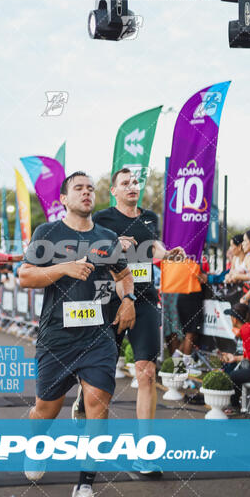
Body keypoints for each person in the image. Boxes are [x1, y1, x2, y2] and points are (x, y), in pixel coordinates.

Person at [19, 171, 135, 497]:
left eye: (90, 189)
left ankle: (85, 483)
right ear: (64, 200)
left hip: (97, 336)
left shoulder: (107, 238)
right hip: (57, 337)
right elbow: (25, 276)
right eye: (78, 189)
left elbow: (124, 275)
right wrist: (63, 268)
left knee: (98, 405)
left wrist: (127, 299)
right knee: (45, 409)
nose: (86, 193)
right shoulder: (49, 233)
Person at [73, 168, 185, 445]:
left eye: (135, 182)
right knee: (103, 369)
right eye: (125, 183)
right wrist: (112, 245)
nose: (132, 186)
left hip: (144, 298)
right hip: (109, 298)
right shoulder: (102, 218)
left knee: (146, 371)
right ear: (114, 191)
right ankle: (85, 398)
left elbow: (153, 247)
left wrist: (167, 253)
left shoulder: (149, 218)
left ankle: (145, 447)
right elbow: (86, 251)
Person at [220, 303, 250, 414]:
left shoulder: (246, 330)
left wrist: (235, 358)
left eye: (231, 317)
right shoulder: (246, 328)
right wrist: (233, 358)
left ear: (234, 319)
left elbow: (249, 357)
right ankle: (236, 405)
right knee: (232, 370)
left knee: (233, 375)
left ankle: (234, 406)